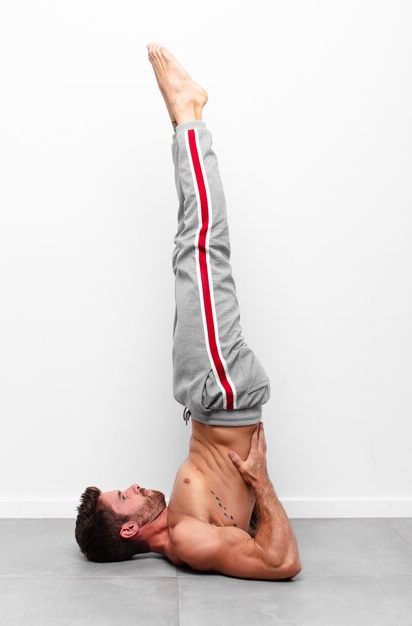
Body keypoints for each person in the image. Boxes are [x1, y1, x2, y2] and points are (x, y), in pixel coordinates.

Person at [75, 44, 301, 580]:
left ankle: (185, 124)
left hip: (207, 392)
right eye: (124, 498)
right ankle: (189, 115)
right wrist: (262, 481)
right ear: (130, 529)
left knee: (190, 251)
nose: (131, 486)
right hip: (219, 390)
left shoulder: (181, 520)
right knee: (200, 247)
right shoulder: (189, 540)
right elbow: (283, 563)